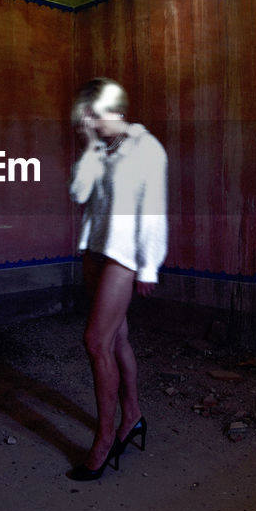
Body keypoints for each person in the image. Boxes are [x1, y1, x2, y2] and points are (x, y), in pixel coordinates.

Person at [67, 78, 167, 481]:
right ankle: (134, 417)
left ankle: (105, 438)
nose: (86, 120)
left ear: (115, 110)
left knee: (95, 342)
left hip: (123, 257)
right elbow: (78, 194)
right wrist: (90, 148)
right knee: (117, 339)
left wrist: (149, 266)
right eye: (84, 115)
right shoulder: (101, 149)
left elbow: (155, 208)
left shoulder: (147, 148)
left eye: (93, 113)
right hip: (95, 249)